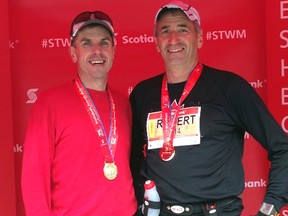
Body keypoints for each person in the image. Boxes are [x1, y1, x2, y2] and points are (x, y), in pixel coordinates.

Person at [130, 1, 288, 216]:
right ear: (156, 42)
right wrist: (143, 201)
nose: (173, 38)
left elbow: (282, 148)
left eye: (183, 29)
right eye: (165, 31)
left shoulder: (230, 88)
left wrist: (270, 208)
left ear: (200, 37)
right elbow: (133, 157)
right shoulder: (143, 94)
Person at [21, 10, 137, 216]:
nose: (97, 51)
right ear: (73, 52)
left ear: (113, 50)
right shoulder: (49, 104)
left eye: (104, 43)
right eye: (86, 44)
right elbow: (33, 180)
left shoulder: (124, 104)